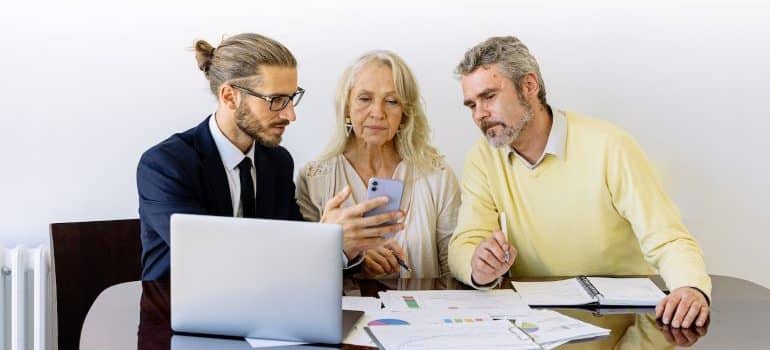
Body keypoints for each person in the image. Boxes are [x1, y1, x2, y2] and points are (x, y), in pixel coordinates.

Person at [448, 36, 711, 328]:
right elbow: (464, 243)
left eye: (489, 97)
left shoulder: (610, 145)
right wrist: (478, 265)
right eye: (471, 105)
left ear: (529, 86)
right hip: (535, 324)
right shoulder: (483, 158)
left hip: (623, 319)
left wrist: (690, 287)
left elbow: (668, 238)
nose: (479, 114)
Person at [137, 33, 401, 281]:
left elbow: (293, 255)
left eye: (291, 98)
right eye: (275, 100)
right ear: (230, 96)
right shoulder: (165, 166)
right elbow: (213, 261)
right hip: (174, 315)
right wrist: (325, 240)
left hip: (264, 313)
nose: (290, 115)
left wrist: (344, 249)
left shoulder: (276, 162)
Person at [297, 51, 460, 278]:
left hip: (421, 310)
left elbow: (453, 265)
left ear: (404, 113)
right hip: (346, 312)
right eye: (364, 99)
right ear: (346, 107)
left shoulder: (436, 175)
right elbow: (305, 271)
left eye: (392, 101)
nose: (377, 112)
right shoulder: (314, 177)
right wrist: (349, 253)